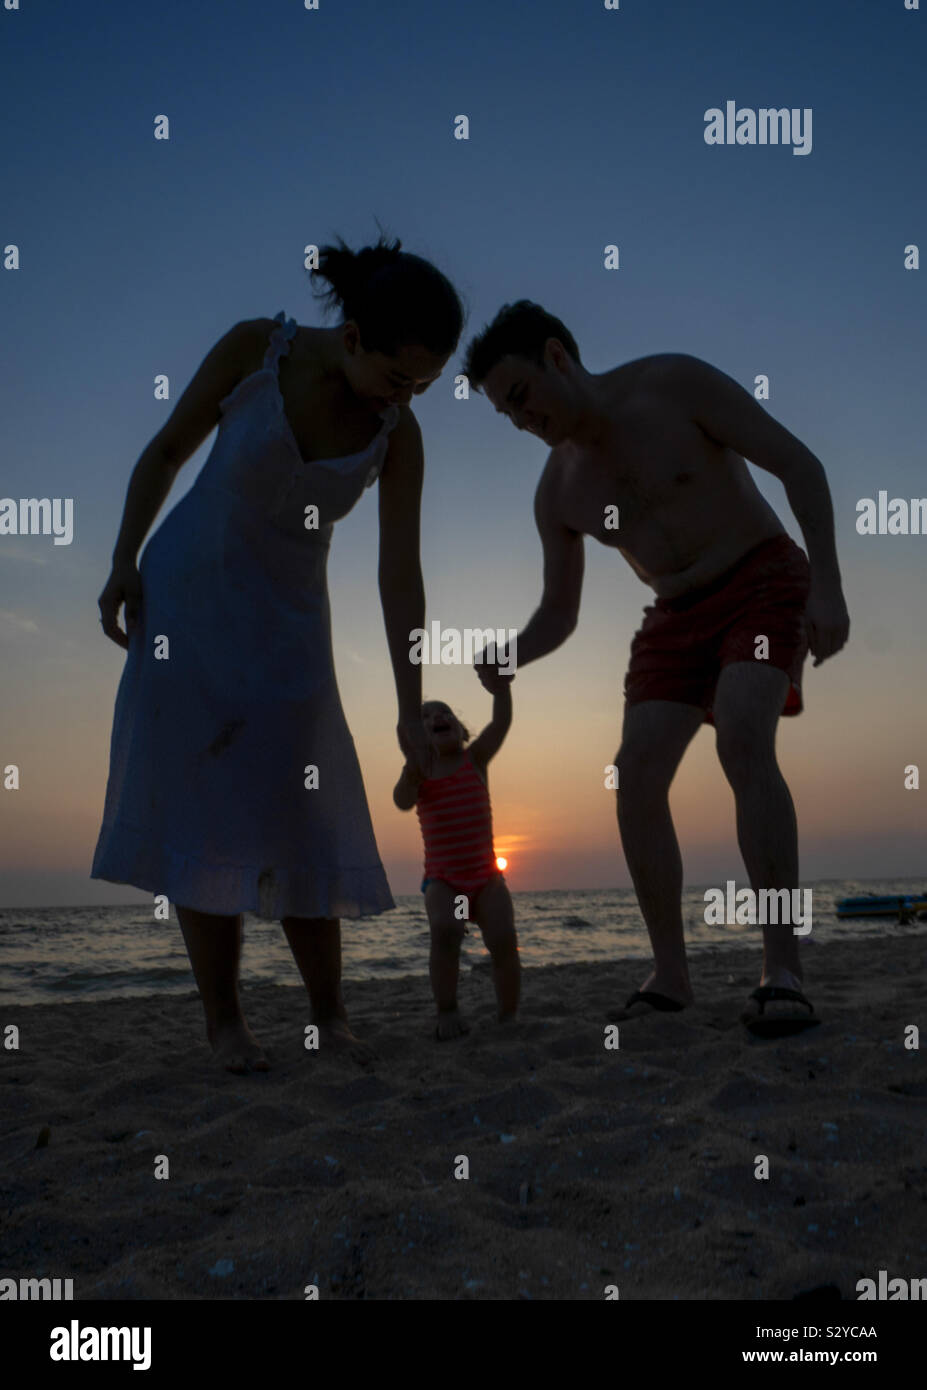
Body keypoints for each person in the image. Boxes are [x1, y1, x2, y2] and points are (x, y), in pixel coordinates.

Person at [92, 235, 464, 1071]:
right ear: (356, 337)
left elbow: (399, 575)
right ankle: (225, 1025)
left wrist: (410, 704)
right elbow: (165, 449)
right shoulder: (257, 350)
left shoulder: (397, 435)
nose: (408, 398)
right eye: (400, 377)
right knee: (200, 803)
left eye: (427, 384)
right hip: (188, 602)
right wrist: (122, 556)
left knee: (303, 809)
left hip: (290, 627)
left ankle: (328, 1016)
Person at [463, 300, 850, 1036]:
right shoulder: (557, 491)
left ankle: (781, 965)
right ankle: (669, 975)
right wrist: (510, 654)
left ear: (556, 357)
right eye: (505, 416)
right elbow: (560, 613)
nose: (521, 421)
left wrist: (827, 585)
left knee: (741, 734)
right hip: (673, 617)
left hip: (762, 580)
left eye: (520, 397)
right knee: (633, 774)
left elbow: (798, 464)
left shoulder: (673, 385)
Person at [393, 688, 520, 1038]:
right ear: (416, 738)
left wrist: (502, 688)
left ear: (462, 730)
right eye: (427, 716)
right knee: (446, 934)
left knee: (504, 940)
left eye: (444, 712)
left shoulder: (475, 759)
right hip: (443, 880)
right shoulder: (421, 770)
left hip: (487, 878)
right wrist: (410, 772)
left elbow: (502, 721)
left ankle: (508, 1014)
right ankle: (447, 1010)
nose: (437, 717)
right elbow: (401, 801)